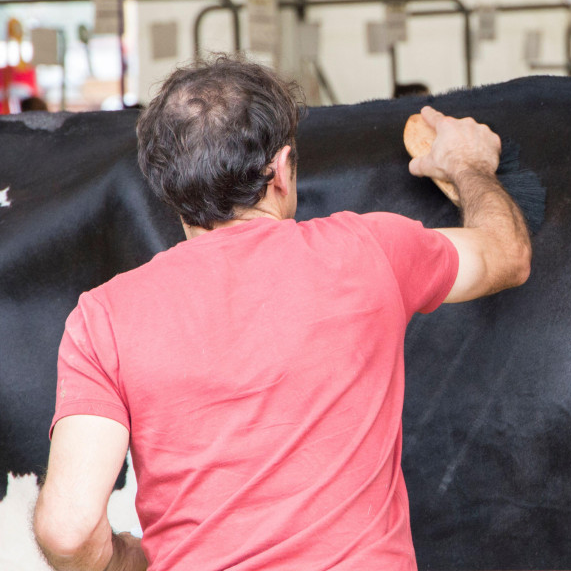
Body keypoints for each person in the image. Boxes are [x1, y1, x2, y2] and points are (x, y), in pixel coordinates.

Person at [33, 55, 531, 571]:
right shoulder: (369, 251)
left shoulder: (103, 318)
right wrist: (469, 165)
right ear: (281, 169)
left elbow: (67, 533)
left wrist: (127, 562)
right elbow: (506, 254)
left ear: (167, 184)